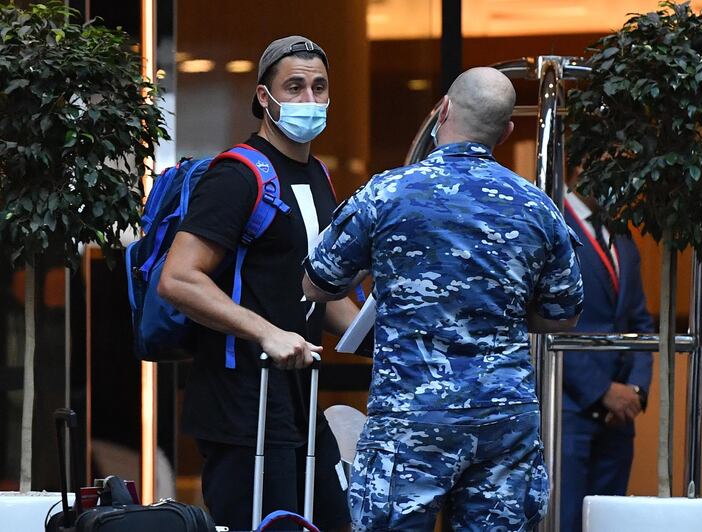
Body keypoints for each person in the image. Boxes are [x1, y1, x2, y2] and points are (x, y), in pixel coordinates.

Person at [302, 67, 584, 531]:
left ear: (443, 110)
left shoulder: (387, 192)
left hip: (410, 416)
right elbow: (563, 315)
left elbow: (317, 283)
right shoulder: (538, 206)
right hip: (503, 420)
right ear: (507, 130)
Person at [158, 35, 356, 531]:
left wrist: (383, 336)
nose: (309, 101)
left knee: (336, 519)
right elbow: (179, 278)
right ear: (265, 99)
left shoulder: (318, 177)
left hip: (299, 401)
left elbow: (316, 290)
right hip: (244, 404)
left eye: (319, 88)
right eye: (294, 87)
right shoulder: (238, 175)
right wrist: (265, 331)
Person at [559, 167, 654, 532]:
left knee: (610, 523)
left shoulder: (620, 229)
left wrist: (635, 391)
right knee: (565, 521)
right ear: (583, 166)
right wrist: (602, 392)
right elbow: (544, 324)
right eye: (609, 159)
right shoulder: (552, 218)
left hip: (620, 419)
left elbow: (640, 322)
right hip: (569, 410)